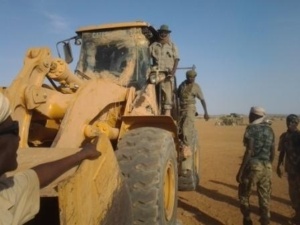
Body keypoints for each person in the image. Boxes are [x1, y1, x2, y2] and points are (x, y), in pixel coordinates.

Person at [0, 92, 101, 225]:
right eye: (14, 130)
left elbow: (34, 177)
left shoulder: (4, 191)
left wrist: (81, 154)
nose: (18, 138)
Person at [236, 106, 275, 225]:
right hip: (267, 167)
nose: (248, 117)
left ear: (254, 116)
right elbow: (272, 151)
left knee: (244, 195)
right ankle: (265, 220)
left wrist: (241, 171)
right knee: (264, 199)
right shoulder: (270, 130)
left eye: (250, 115)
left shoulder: (251, 129)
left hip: (253, 167)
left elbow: (249, 151)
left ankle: (247, 219)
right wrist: (268, 164)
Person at [177, 69, 209, 160]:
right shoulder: (182, 85)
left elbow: (202, 100)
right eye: (189, 77)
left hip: (190, 108)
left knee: (186, 128)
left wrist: (206, 112)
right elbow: (177, 95)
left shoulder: (196, 87)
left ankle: (187, 150)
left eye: (193, 77)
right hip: (181, 108)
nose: (191, 79)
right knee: (179, 129)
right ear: (186, 77)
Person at [149, 24, 180, 116]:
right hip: (155, 73)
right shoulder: (154, 45)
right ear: (159, 33)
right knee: (151, 91)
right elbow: (146, 57)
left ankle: (167, 112)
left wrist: (173, 72)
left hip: (167, 73)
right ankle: (154, 110)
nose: (163, 34)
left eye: (165, 33)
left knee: (167, 91)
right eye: (161, 32)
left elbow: (177, 59)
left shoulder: (172, 45)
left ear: (168, 34)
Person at [276, 114, 300, 224]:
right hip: (291, 171)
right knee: (293, 193)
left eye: (295, 122)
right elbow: (282, 152)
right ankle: (298, 214)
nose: (293, 124)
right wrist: (279, 165)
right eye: (291, 122)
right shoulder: (284, 136)